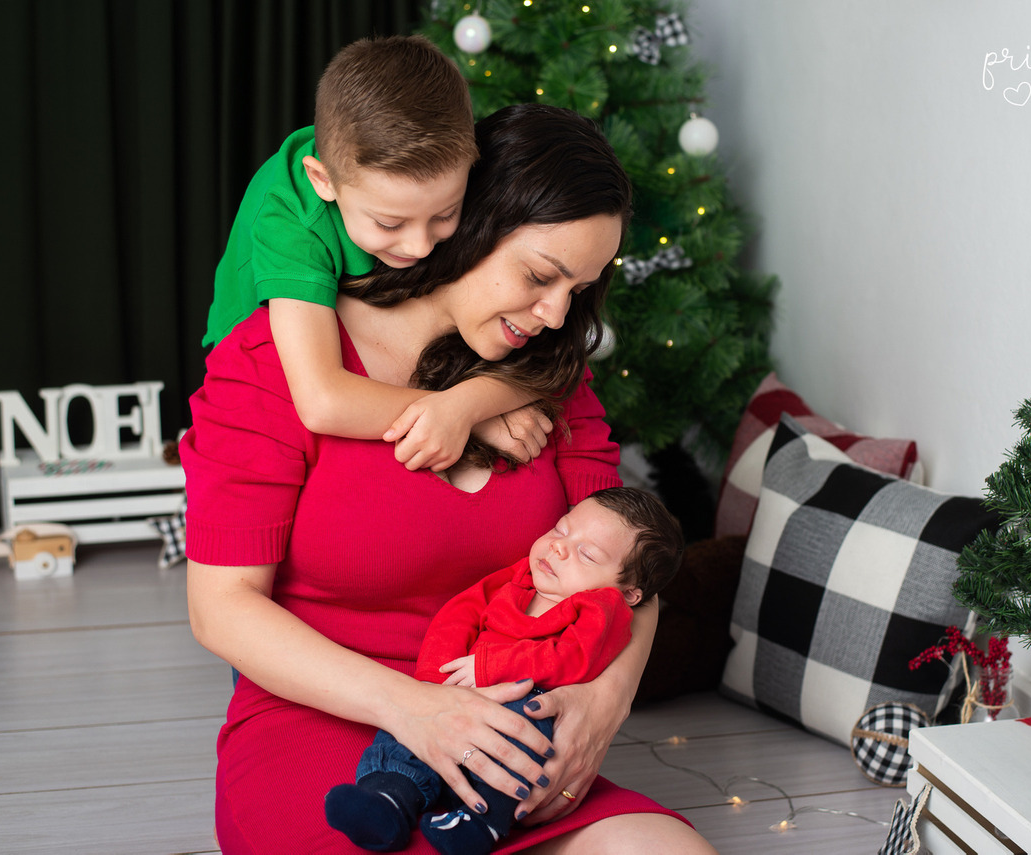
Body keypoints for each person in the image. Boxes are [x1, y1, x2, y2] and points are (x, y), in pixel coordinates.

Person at [183, 103, 718, 853]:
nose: (556, 312)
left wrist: (602, 700)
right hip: (327, 723)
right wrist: (417, 710)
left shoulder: (548, 380)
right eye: (540, 275)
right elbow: (222, 609)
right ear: (468, 219)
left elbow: (633, 570)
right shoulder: (276, 364)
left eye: (581, 288)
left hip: (502, 737)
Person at [203, 34, 548, 473]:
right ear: (322, 181)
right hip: (255, 372)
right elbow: (323, 401)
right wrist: (467, 414)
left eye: (446, 213)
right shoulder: (292, 224)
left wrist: (469, 403)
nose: (420, 247)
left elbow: (555, 358)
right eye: (389, 224)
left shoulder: (431, 167)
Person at [325, 487, 685, 854]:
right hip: (457, 694)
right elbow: (458, 616)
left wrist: (490, 667)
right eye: (561, 530)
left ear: (628, 593)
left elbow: (569, 657)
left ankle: (481, 821)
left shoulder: (602, 611)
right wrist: (434, 683)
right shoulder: (516, 578)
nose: (558, 547)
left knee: (525, 736)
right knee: (402, 733)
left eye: (586, 554)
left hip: (525, 700)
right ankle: (389, 797)